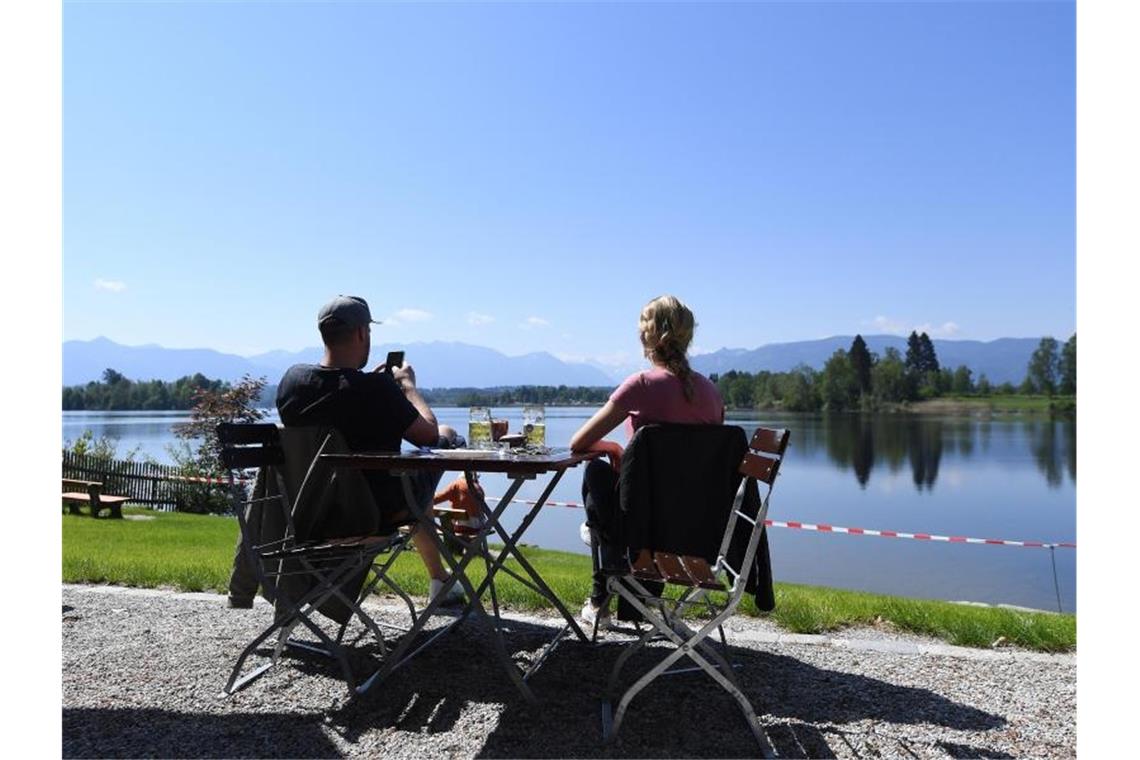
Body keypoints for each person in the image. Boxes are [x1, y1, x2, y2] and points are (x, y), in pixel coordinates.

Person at [275, 294, 465, 605]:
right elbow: (428, 436)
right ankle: (439, 579)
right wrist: (407, 388)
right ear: (363, 332)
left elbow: (341, 401)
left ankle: (440, 578)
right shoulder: (377, 390)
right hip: (370, 516)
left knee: (414, 484)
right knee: (444, 438)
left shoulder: (292, 383)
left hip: (305, 511)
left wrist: (378, 389)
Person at [569, 295, 725, 627]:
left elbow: (578, 443)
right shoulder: (711, 393)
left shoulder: (640, 385)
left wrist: (613, 448)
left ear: (647, 335)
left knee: (596, 469)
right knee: (624, 502)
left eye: (642, 323)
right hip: (696, 530)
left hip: (641, 530)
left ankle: (602, 582)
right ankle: (605, 564)